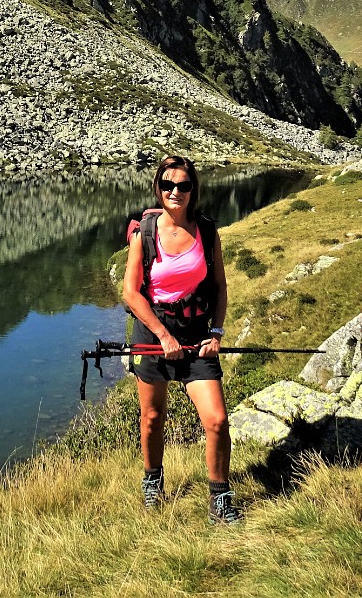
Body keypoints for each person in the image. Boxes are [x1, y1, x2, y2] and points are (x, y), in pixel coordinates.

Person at [121, 155, 237, 524]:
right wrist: (163, 334)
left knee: (217, 420)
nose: (176, 192)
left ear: (193, 190)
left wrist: (216, 332)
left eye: (183, 186)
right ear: (158, 188)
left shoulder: (206, 231)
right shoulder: (146, 234)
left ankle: (220, 500)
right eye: (168, 185)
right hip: (154, 333)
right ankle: (153, 483)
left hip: (197, 336)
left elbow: (219, 287)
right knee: (153, 418)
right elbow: (131, 293)